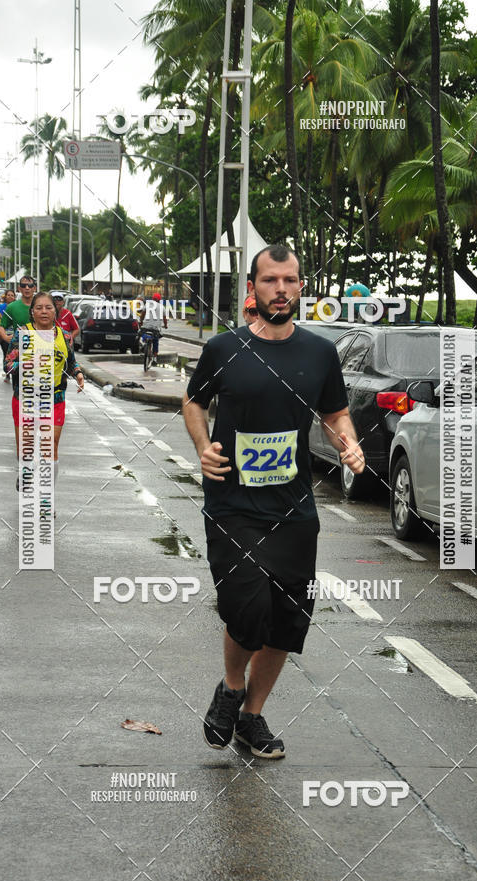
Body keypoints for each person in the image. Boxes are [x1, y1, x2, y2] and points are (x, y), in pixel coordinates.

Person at [183, 245, 365, 759]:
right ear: (253, 289)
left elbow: (334, 413)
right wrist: (203, 448)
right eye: (270, 281)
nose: (280, 290)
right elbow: (194, 401)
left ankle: (251, 716)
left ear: (300, 287)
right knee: (248, 608)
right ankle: (231, 686)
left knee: (288, 618)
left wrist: (347, 442)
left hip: (294, 510)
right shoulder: (224, 349)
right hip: (233, 506)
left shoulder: (319, 353)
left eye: (289, 280)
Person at [5, 292, 84, 493]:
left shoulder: (65, 336)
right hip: (26, 399)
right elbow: (7, 366)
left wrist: (78, 373)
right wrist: (25, 363)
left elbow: (71, 362)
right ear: (32, 312)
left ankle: (45, 498)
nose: (44, 311)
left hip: (55, 398)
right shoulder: (22, 334)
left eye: (48, 307)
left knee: (51, 447)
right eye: (38, 308)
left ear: (55, 311)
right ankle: (27, 470)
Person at [0, 277, 36, 344]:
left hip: (41, 346)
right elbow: (1, 326)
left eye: (30, 285)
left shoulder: (43, 306)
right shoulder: (12, 307)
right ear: (19, 288)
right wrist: (5, 337)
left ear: (34, 288)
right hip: (20, 346)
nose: (27, 288)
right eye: (23, 286)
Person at [138, 292, 167, 364]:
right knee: (155, 341)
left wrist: (141, 321)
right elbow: (164, 319)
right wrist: (165, 325)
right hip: (156, 328)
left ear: (152, 299)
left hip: (146, 326)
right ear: (159, 300)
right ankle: (155, 357)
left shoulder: (147, 305)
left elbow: (142, 315)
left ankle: (144, 343)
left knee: (141, 333)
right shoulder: (162, 307)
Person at [0, 288, 15, 379]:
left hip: (15, 335)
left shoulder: (17, 307)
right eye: (8, 295)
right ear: (5, 296)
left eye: (12, 295)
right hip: (5, 334)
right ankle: (7, 371)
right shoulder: (1, 306)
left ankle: (14, 371)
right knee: (6, 353)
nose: (10, 297)